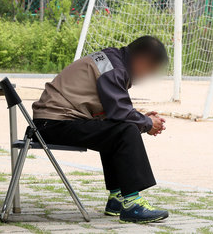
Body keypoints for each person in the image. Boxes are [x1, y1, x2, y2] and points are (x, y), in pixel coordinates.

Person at [32, 36, 169, 223]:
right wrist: (147, 123)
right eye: (149, 71)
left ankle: (117, 198)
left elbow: (112, 110)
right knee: (125, 130)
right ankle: (132, 205)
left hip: (51, 122)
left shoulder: (112, 61)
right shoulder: (114, 68)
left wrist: (143, 117)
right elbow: (120, 112)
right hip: (55, 123)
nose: (146, 77)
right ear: (142, 60)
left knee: (116, 129)